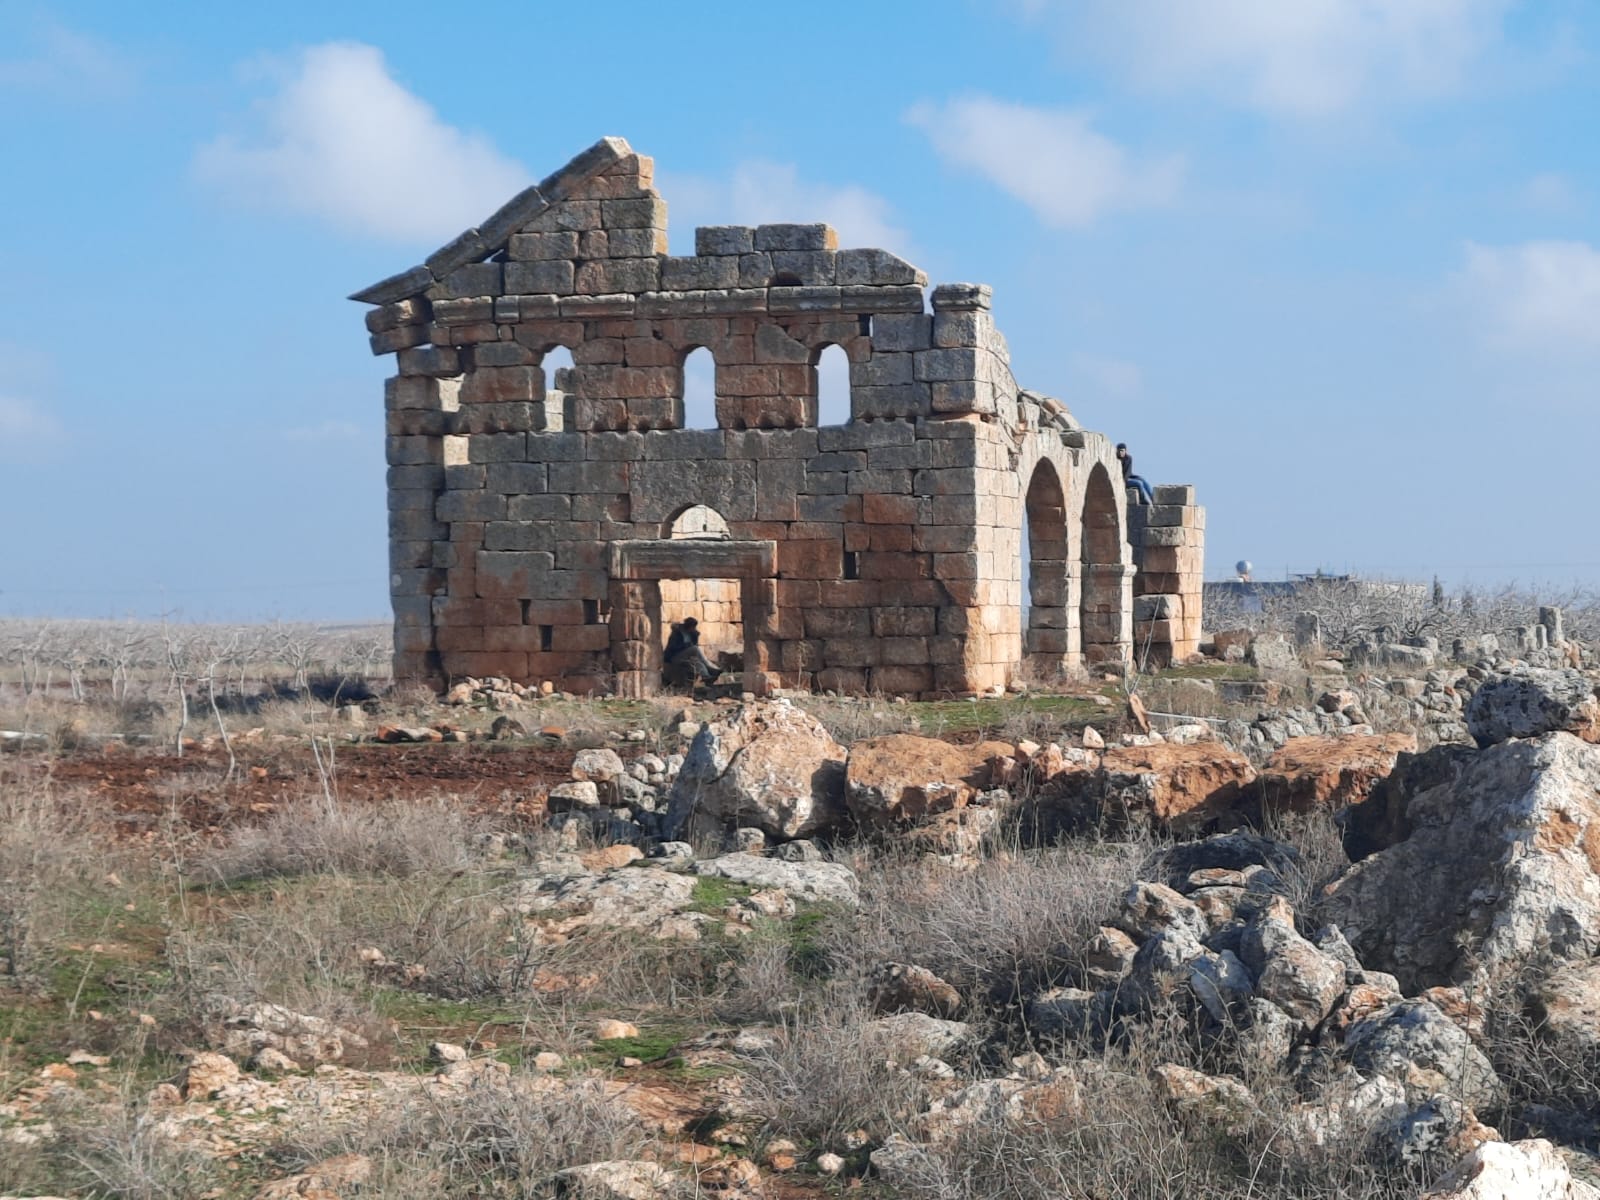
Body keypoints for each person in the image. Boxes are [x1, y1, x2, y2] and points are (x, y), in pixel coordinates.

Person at [663, 617, 720, 685]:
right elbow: (673, 648)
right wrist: (686, 645)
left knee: (697, 662)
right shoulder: (677, 633)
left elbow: (694, 645)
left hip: (685, 657)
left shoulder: (691, 634)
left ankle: (706, 677)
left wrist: (695, 636)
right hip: (674, 657)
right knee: (695, 649)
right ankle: (709, 667)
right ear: (687, 626)